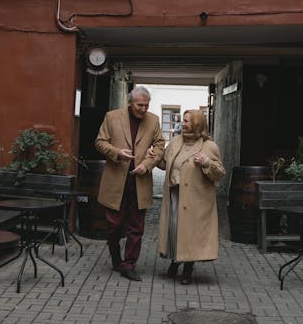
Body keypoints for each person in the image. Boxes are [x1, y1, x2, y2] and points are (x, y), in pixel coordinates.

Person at [95, 86, 165, 281]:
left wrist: (148, 164)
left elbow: (160, 145)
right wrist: (117, 152)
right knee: (113, 225)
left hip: (140, 181)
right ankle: (116, 258)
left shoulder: (153, 120)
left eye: (146, 105)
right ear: (130, 102)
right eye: (139, 105)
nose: (143, 109)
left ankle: (129, 264)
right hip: (116, 180)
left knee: (136, 226)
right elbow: (100, 142)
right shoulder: (112, 117)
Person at [155, 109, 225, 285]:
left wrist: (207, 163)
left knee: (190, 234)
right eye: (183, 121)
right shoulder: (176, 141)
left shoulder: (209, 147)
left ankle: (187, 269)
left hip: (196, 200)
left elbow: (219, 173)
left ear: (197, 125)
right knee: (175, 230)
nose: (183, 123)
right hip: (175, 194)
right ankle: (174, 260)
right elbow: (165, 163)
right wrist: (155, 159)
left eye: (186, 121)